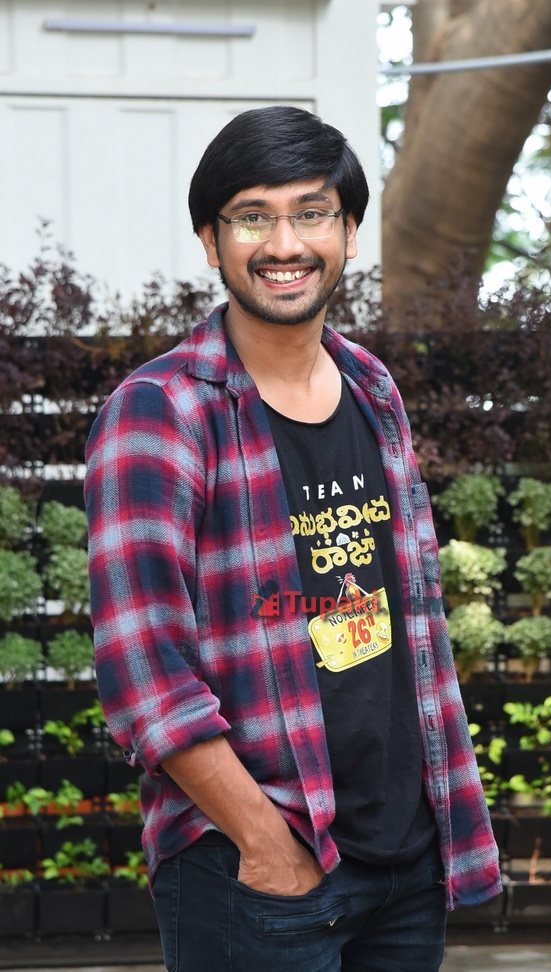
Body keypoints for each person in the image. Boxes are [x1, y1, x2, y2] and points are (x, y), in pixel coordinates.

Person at [85, 105, 501, 972]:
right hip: (260, 869)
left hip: (405, 858)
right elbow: (143, 672)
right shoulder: (161, 411)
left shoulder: (372, 387)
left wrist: (435, 822)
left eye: (311, 213)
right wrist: (265, 844)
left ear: (347, 232)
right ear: (211, 241)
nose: (285, 244)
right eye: (253, 217)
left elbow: (406, 618)